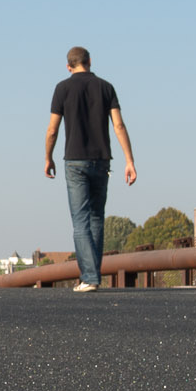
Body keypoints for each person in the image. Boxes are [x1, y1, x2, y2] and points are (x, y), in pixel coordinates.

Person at [44, 46, 136, 293]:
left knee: (80, 220)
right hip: (102, 160)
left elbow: (52, 129)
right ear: (90, 62)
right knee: (96, 218)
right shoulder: (106, 87)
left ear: (68, 66)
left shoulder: (62, 88)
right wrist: (130, 160)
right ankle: (92, 274)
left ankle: (90, 278)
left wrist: (48, 157)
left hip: (74, 161)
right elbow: (118, 125)